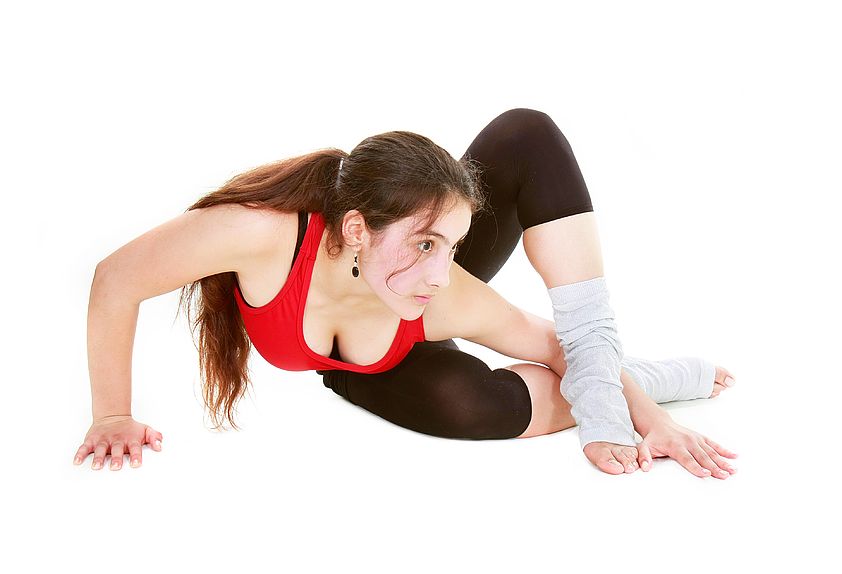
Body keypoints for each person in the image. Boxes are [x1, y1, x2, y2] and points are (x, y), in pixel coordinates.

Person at [75, 108, 738, 478]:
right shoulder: (261, 236)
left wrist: (656, 421)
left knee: (485, 401)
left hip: (394, 322)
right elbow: (116, 279)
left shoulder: (442, 288)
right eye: (427, 243)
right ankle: (642, 377)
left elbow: (560, 344)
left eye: (452, 246)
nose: (441, 269)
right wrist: (111, 414)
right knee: (465, 403)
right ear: (356, 228)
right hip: (361, 355)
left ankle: (642, 384)